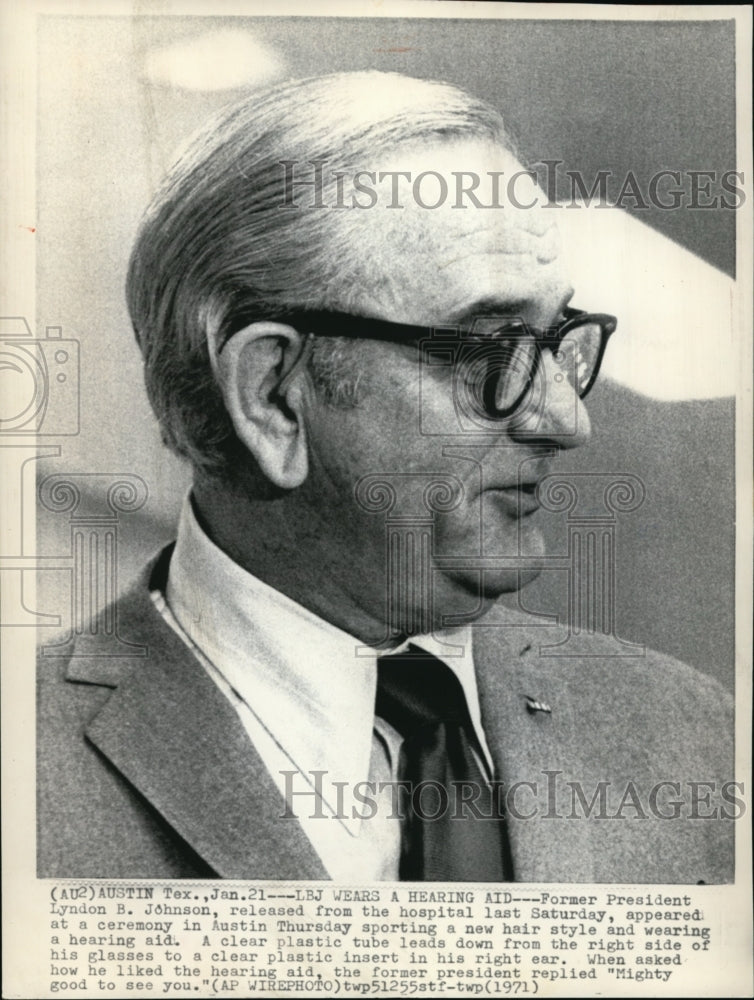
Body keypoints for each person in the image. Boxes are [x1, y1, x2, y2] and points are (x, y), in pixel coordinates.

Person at [37, 71, 735, 882]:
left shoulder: (691, 731)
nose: (566, 421)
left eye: (558, 342)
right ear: (273, 397)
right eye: (489, 351)